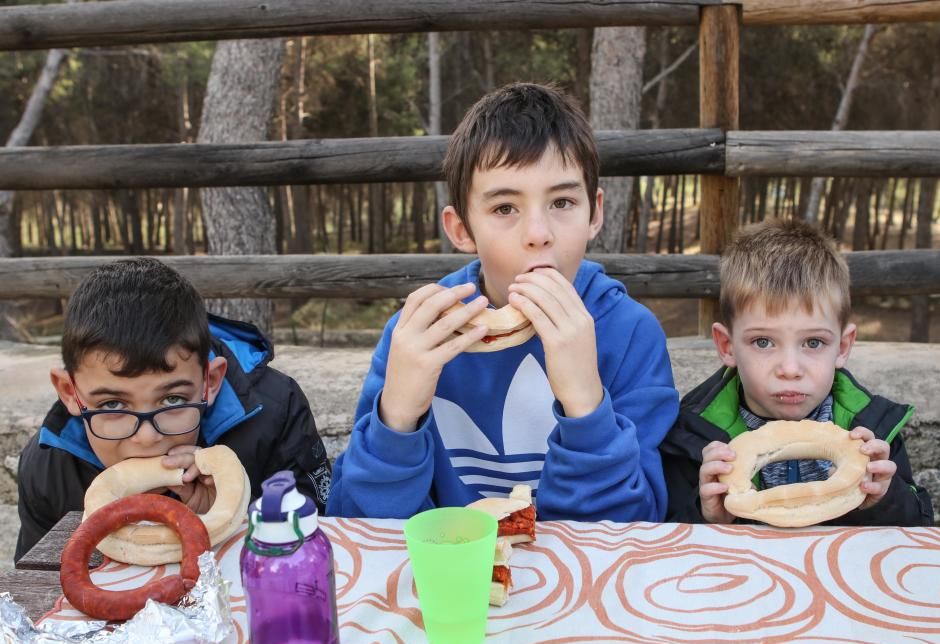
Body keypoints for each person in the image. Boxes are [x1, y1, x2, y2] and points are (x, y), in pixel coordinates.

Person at [326, 82, 679, 522]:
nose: (538, 233)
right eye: (504, 209)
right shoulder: (417, 336)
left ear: (595, 212)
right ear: (461, 230)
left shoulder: (629, 335)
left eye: (563, 202)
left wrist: (586, 404)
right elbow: (356, 522)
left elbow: (634, 528)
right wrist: (397, 417)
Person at [15, 257, 331, 560]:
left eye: (173, 400)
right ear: (71, 393)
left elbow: (320, 538)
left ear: (210, 382)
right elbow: (41, 579)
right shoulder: (49, 466)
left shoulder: (275, 412)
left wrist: (228, 517)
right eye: (113, 404)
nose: (147, 437)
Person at [660, 219, 933, 525]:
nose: (790, 369)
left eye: (813, 342)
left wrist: (883, 499)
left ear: (842, 347)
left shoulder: (871, 429)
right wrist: (706, 514)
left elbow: (919, 527)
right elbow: (667, 534)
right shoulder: (695, 436)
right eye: (763, 342)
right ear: (727, 346)